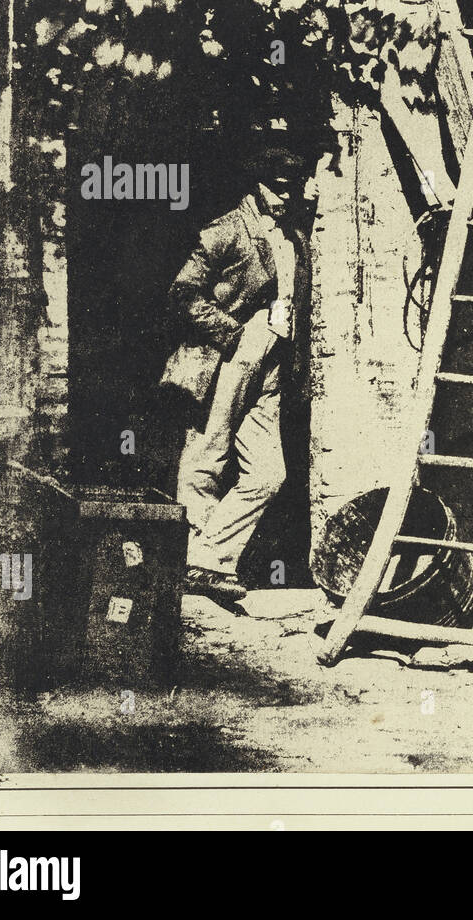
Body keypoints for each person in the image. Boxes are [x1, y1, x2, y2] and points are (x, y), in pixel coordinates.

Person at [160, 142, 310, 608]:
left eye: (293, 189)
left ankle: (206, 556)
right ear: (258, 185)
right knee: (206, 460)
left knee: (269, 474)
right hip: (229, 356)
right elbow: (182, 292)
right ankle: (199, 566)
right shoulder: (226, 230)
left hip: (272, 366)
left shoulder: (296, 236)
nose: (286, 197)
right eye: (277, 188)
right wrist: (232, 332)